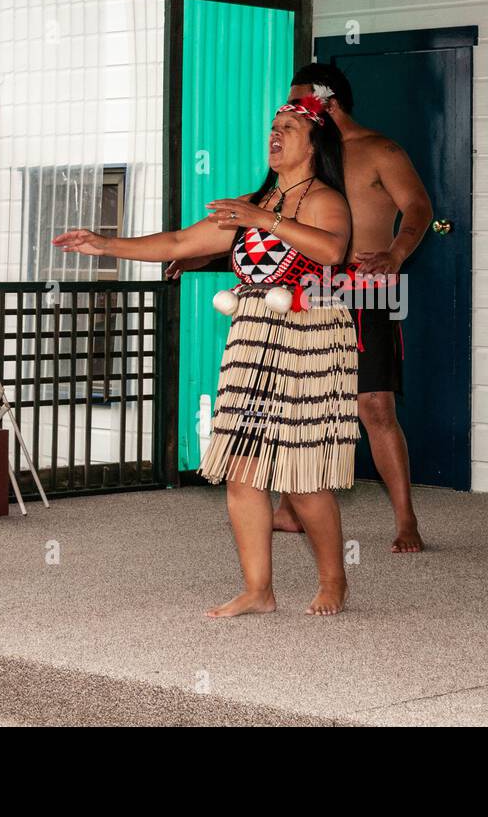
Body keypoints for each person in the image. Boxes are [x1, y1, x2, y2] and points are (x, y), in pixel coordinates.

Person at [56, 89, 359, 617]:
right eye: (273, 125)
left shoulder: (324, 199)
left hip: (310, 337)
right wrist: (106, 245)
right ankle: (258, 589)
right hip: (253, 333)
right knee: (242, 465)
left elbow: (332, 250)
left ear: (314, 142)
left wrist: (261, 220)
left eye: (287, 126)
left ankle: (333, 580)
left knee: (302, 473)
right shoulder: (251, 205)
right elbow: (177, 243)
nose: (275, 133)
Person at [173, 64, 434, 553]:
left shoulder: (380, 151)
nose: (288, 115)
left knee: (374, 406)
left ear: (328, 102)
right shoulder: (298, 164)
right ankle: (290, 510)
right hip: (302, 294)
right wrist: (201, 257)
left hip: (362, 291)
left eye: (299, 104)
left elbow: (419, 207)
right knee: (290, 403)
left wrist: (396, 254)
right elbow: (267, 234)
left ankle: (406, 520)